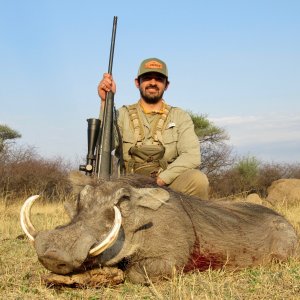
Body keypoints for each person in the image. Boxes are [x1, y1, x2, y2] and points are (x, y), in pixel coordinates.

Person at [98, 58, 209, 199]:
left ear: (166, 85)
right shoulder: (122, 114)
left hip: (167, 188)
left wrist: (162, 179)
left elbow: (192, 156)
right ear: (137, 83)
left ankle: (192, 221)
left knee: (198, 180)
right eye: (147, 78)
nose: (152, 82)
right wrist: (105, 102)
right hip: (128, 188)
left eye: (158, 79)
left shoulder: (180, 116)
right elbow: (105, 146)